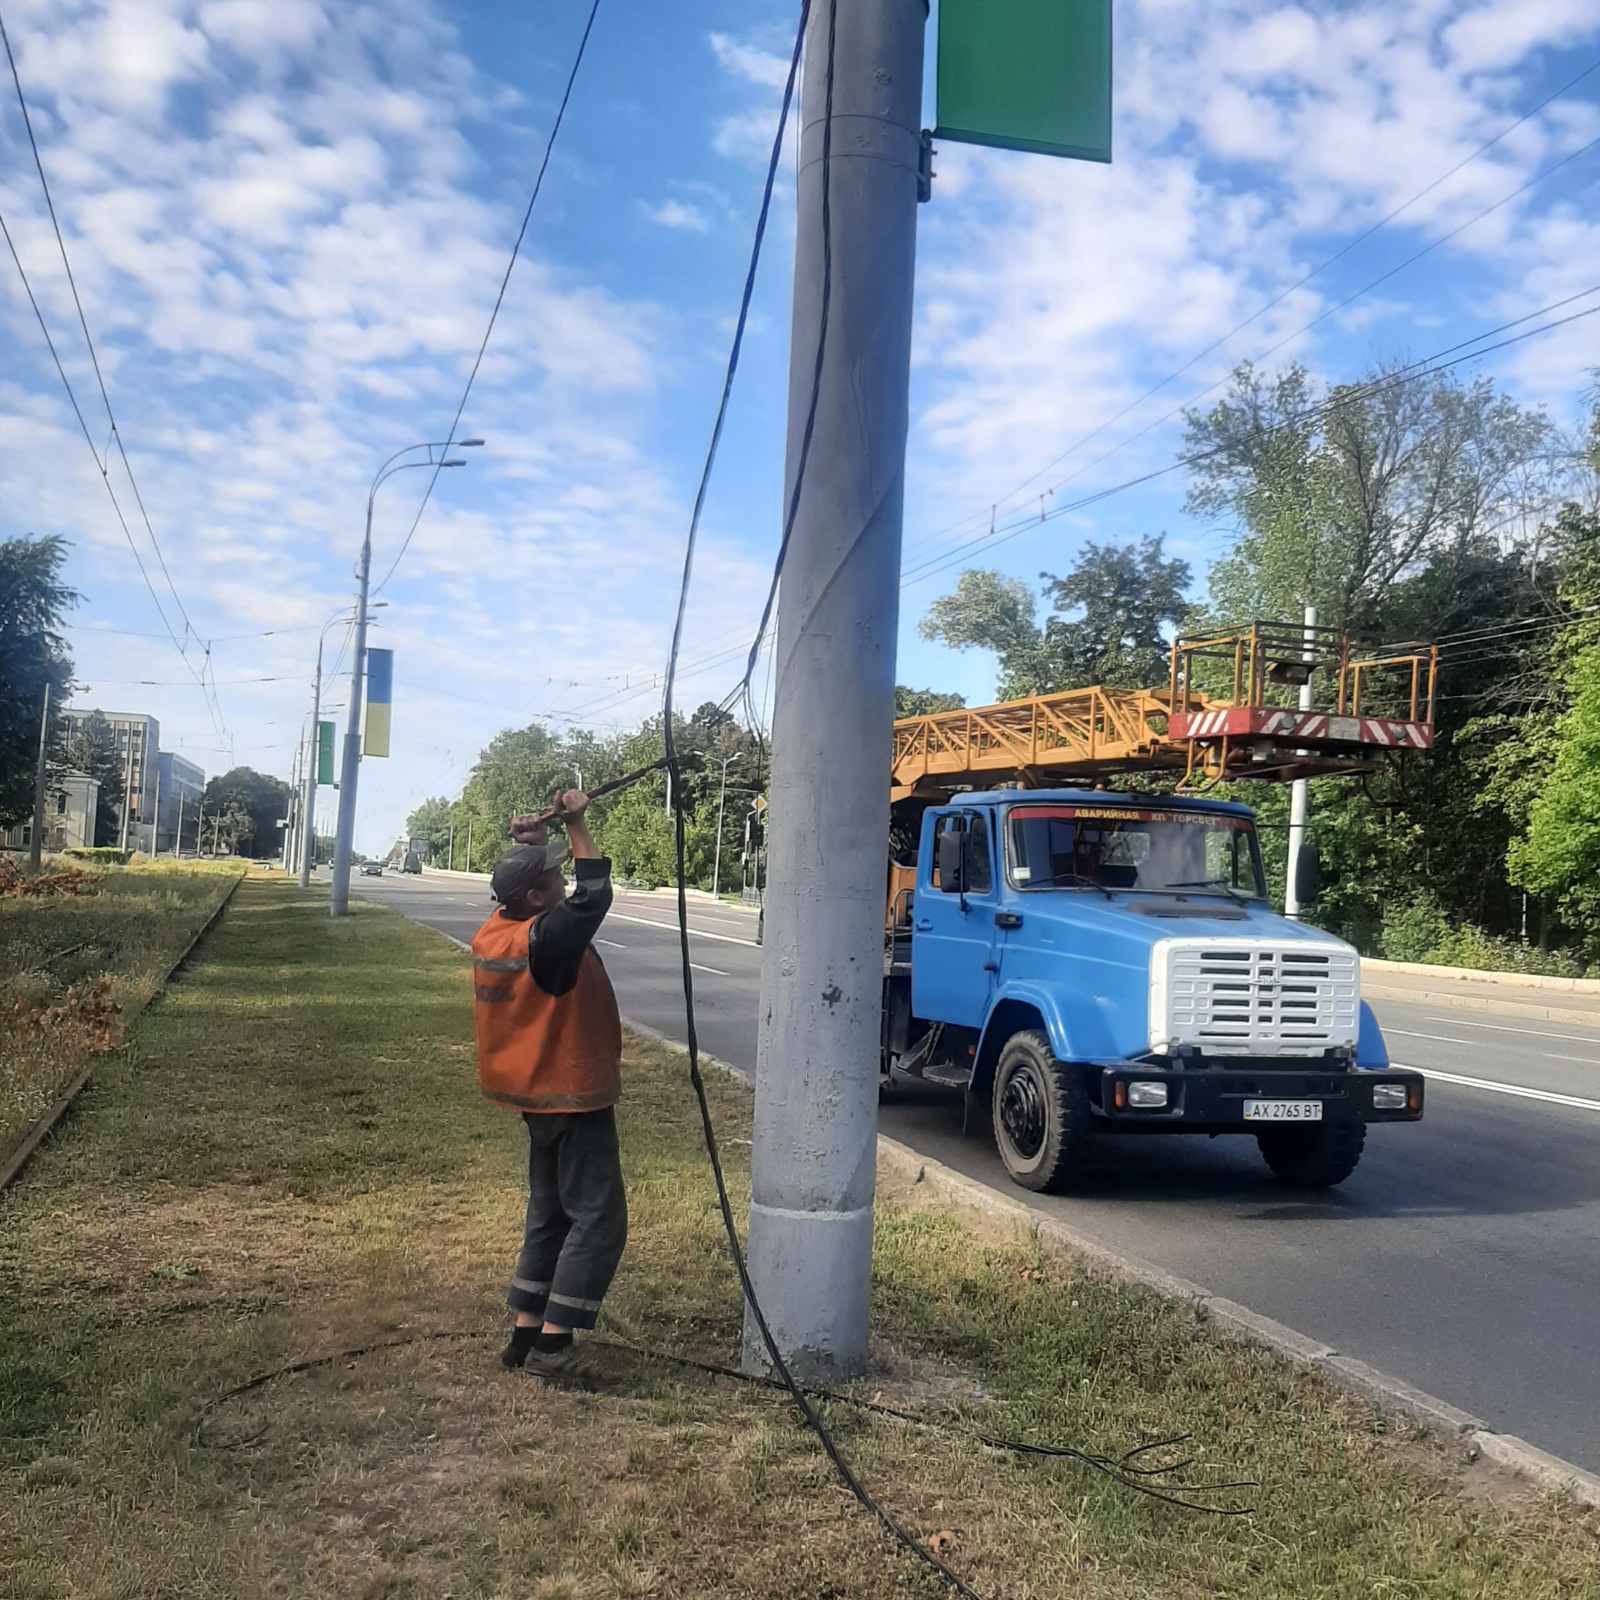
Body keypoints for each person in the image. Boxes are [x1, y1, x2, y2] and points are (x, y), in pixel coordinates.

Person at [471, 790, 626, 1381]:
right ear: (536, 897)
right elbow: (595, 892)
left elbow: (534, 883)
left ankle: (524, 1331)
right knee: (597, 1217)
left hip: (533, 1093)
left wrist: (531, 842)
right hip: (570, 1092)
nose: (561, 882)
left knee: (550, 1212)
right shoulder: (548, 941)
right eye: (551, 878)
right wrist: (579, 823)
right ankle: (554, 1349)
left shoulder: (500, 927)